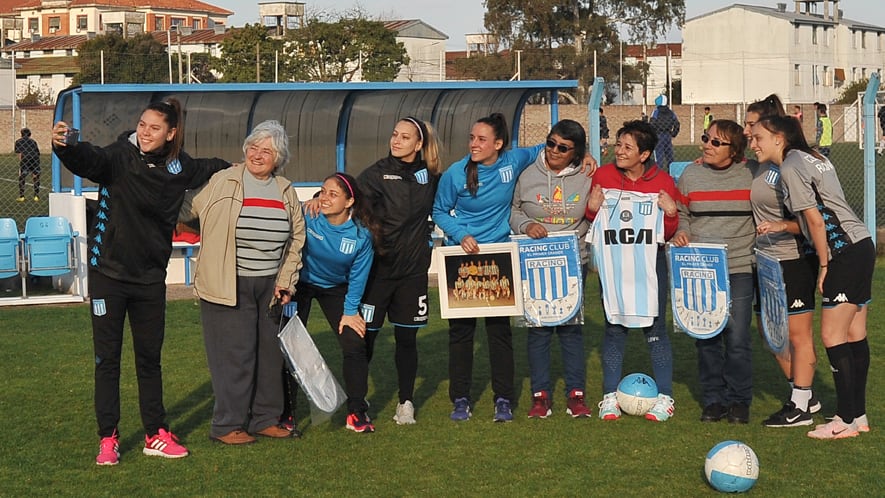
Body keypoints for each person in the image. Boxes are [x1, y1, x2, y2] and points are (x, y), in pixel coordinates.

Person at [51, 99, 231, 465]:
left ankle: (155, 433)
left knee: (150, 360)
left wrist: (251, 168)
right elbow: (91, 159)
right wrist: (64, 145)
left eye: (154, 128)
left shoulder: (180, 166)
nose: (145, 132)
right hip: (109, 276)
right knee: (108, 360)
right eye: (142, 124)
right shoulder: (119, 155)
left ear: (171, 133)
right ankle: (108, 438)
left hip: (150, 280)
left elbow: (214, 168)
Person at [179, 120, 305, 445]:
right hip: (226, 283)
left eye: (267, 150)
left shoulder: (285, 190)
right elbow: (186, 208)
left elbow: (296, 239)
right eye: (253, 147)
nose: (258, 154)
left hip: (270, 287)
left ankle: (265, 419)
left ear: (279, 158)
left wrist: (286, 281)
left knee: (269, 355)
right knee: (234, 356)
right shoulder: (223, 180)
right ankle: (227, 425)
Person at [751, 115, 873, 439]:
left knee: (832, 337)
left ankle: (843, 420)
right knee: (855, 334)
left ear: (779, 138)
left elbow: (816, 222)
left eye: (758, 137)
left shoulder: (790, 165)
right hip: (862, 243)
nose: (753, 144)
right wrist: (780, 226)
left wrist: (824, 265)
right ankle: (858, 415)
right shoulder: (814, 157)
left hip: (842, 251)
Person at [432, 113, 547, 423]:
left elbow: (543, 149)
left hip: (498, 258)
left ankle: (504, 400)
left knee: (499, 333)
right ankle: (460, 399)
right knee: (461, 334)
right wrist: (460, 234)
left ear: (499, 144)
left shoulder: (513, 160)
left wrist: (585, 156)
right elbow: (439, 211)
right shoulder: (456, 174)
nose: (474, 144)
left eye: (482, 139)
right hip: (462, 260)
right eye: (472, 138)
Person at [585, 119, 680, 422]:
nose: (619, 151)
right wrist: (592, 206)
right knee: (614, 326)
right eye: (618, 144)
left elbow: (668, 231)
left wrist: (671, 212)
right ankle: (610, 396)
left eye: (628, 147)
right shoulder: (603, 176)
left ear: (645, 154)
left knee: (655, 327)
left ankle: (664, 397)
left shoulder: (663, 182)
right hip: (614, 265)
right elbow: (593, 220)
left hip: (650, 264)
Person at [357, 117, 441, 425]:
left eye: (405, 137)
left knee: (407, 340)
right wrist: (318, 199)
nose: (396, 140)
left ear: (419, 144)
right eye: (394, 134)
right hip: (377, 272)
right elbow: (348, 192)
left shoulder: (431, 177)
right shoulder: (376, 173)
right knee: (364, 338)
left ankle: (406, 403)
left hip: (413, 273)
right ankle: (358, 398)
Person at [671, 119, 756, 424]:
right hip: (700, 269)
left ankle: (738, 400)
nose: (706, 145)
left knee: (737, 337)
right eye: (707, 139)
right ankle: (713, 399)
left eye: (716, 142)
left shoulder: (753, 174)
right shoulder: (691, 174)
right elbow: (682, 213)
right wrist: (681, 231)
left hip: (740, 266)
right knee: (706, 336)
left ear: (734, 151)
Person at [744, 95, 822, 427]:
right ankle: (805, 396)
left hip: (793, 260)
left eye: (753, 127)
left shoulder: (789, 167)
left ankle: (801, 404)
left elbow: (808, 220)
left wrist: (780, 226)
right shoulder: (760, 164)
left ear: (773, 130)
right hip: (766, 262)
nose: (748, 133)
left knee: (797, 333)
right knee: (771, 332)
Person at [510, 119, 593, 419]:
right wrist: (525, 224)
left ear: (577, 152)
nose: (554, 150)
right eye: (551, 143)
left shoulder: (587, 174)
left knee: (570, 329)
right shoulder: (528, 173)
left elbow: (595, 210)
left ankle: (576, 394)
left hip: (573, 262)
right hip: (534, 262)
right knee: (539, 330)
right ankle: (540, 395)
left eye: (563, 147)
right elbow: (514, 209)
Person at [295, 173, 381, 433]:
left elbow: (358, 276)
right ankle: (284, 413)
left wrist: (350, 312)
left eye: (333, 194)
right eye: (322, 192)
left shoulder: (361, 236)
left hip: (335, 288)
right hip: (300, 284)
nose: (324, 198)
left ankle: (356, 412)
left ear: (349, 201)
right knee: (287, 343)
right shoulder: (307, 215)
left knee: (355, 342)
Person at [649, 94, 680, 172]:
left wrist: (652, 134)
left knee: (659, 156)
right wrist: (674, 133)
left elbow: (652, 123)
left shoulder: (656, 111)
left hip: (658, 135)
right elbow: (676, 123)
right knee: (669, 155)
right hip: (668, 135)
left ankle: (658, 173)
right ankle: (671, 172)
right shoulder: (671, 112)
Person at [15, 128, 41, 202]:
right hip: (35, 159)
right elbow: (37, 153)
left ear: (21, 134)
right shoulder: (33, 142)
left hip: (25, 159)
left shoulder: (18, 141)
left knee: (22, 176)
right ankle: (36, 196)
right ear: (30, 134)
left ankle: (22, 196)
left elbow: (20, 154)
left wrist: (21, 165)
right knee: (35, 176)